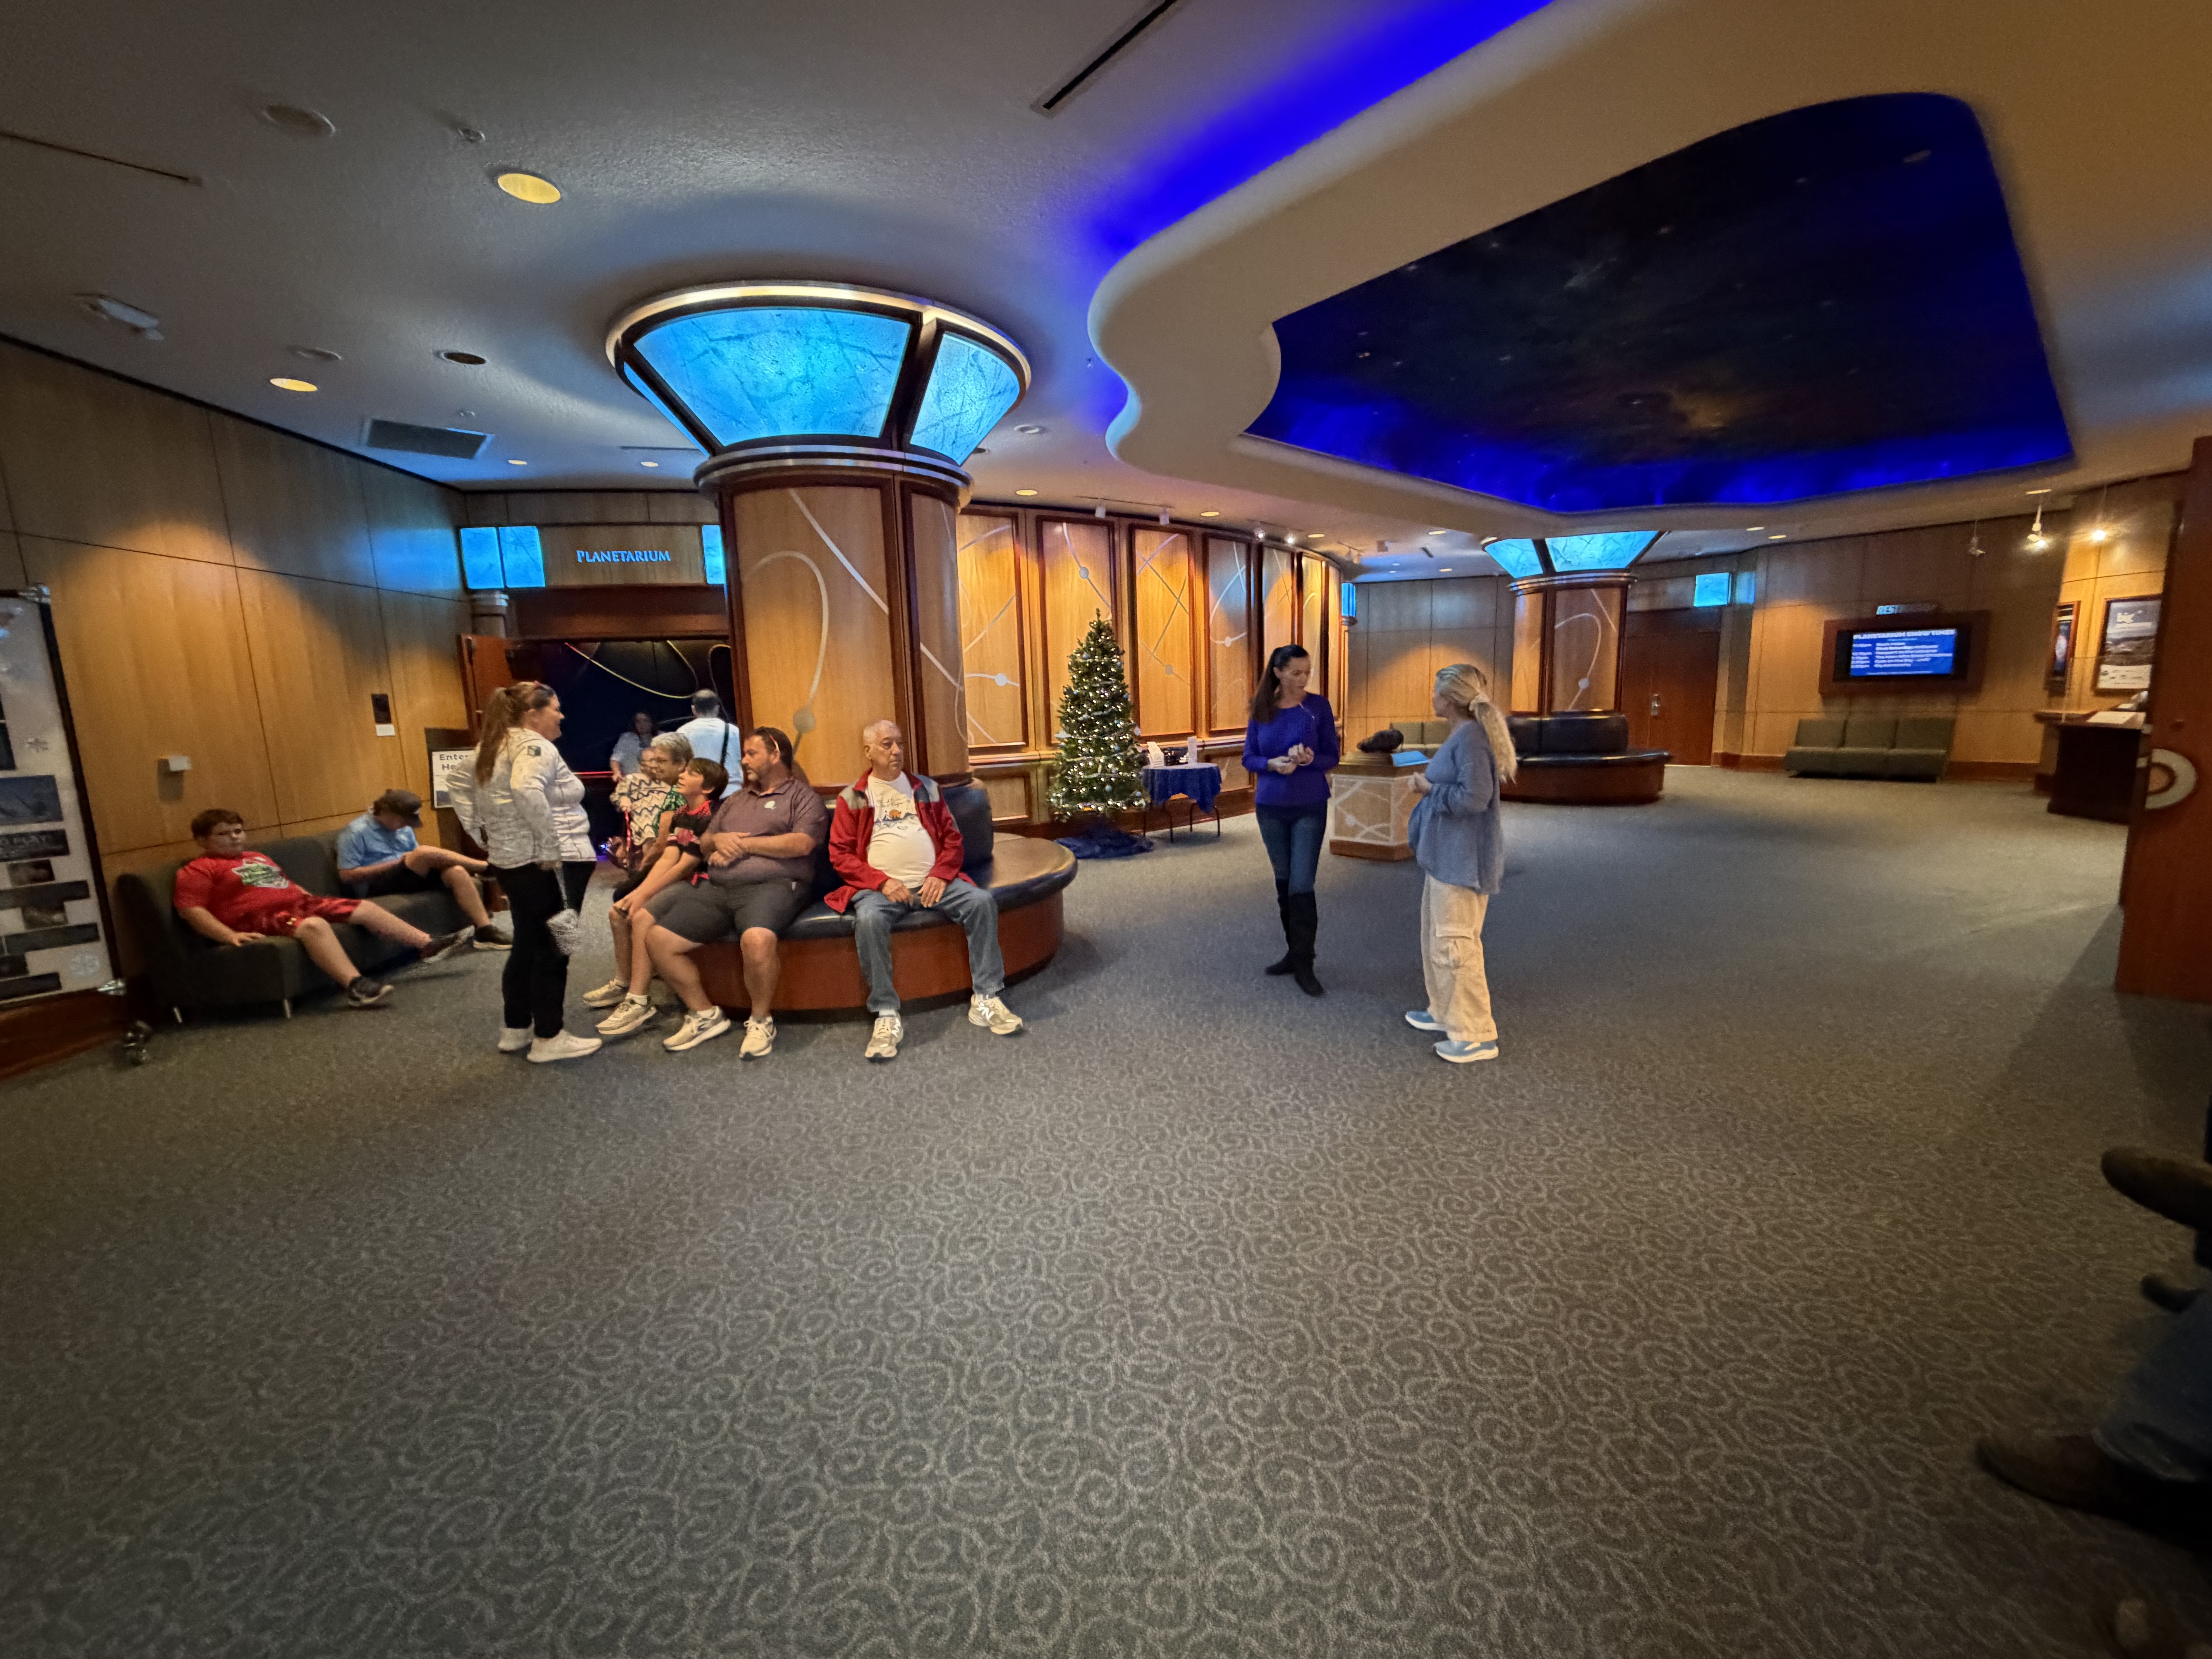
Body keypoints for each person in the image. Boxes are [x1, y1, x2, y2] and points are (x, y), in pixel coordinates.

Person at [826, 719, 1024, 1061]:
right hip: (881, 890)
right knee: (869, 920)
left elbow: (953, 839)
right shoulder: (853, 798)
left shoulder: (926, 789)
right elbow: (840, 856)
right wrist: (882, 882)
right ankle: (886, 1013)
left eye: (900, 743)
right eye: (887, 745)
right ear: (868, 752)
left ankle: (986, 997)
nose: (897, 751)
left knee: (981, 903)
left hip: (934, 882)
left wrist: (941, 875)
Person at [173, 807, 472, 1009]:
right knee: (314, 926)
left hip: (297, 903)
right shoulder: (199, 869)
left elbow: (284, 884)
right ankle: (356, 986)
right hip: (256, 918)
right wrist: (227, 936)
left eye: (238, 831)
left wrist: (315, 902)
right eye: (224, 834)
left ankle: (428, 945)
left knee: (364, 909)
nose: (234, 837)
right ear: (202, 840)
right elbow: (191, 910)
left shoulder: (256, 857)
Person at [646, 727, 828, 1055]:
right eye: (744, 754)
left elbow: (802, 844)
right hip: (720, 887)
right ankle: (704, 1014)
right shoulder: (736, 800)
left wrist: (743, 845)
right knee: (658, 940)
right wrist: (719, 840)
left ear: (776, 755)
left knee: (757, 940)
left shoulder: (802, 798)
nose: (744, 761)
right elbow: (705, 842)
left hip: (775, 886)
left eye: (752, 754)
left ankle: (761, 1020)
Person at [452, 682, 601, 1063]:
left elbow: (457, 783)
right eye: (556, 709)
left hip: (512, 862)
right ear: (533, 715)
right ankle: (549, 1037)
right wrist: (549, 848)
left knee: (527, 943)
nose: (562, 716)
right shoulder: (536, 746)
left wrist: (482, 833)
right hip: (554, 862)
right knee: (556, 945)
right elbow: (525, 788)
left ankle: (516, 1028)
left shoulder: (491, 747)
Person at [1404, 663, 1517, 1064]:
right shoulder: (1463, 734)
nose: (1432, 697)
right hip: (1445, 857)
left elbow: (1474, 798)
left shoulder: (1471, 738)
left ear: (1450, 698)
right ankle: (1444, 1011)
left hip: (1461, 861)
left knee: (1456, 944)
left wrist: (1428, 789)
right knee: (1436, 938)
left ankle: (1475, 1034)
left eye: (1436, 691)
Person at [585, 756, 726, 1037]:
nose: (682, 775)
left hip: (702, 883)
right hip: (680, 879)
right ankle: (623, 982)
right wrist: (639, 892)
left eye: (691, 773)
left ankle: (638, 1000)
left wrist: (644, 895)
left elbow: (686, 865)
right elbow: (669, 858)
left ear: (707, 788)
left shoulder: (711, 815)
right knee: (618, 911)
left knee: (640, 915)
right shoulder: (683, 813)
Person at [1240, 643, 1340, 996]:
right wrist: (1271, 764)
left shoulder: (1318, 707)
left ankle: (1305, 963)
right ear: (1278, 673)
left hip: (1309, 803)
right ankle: (1294, 953)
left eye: (1307, 672)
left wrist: (1310, 759)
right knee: (1283, 881)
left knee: (1302, 883)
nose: (1303, 678)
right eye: (1296, 672)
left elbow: (1332, 756)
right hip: (1271, 806)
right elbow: (1249, 757)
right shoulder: (1261, 709)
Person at [334, 787, 511, 948]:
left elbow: (414, 861)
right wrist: (396, 863)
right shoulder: (355, 833)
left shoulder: (402, 828)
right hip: (376, 884)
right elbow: (347, 875)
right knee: (423, 853)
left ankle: (485, 931)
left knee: (457, 872)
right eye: (404, 821)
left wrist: (419, 862)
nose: (406, 826)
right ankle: (488, 868)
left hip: (406, 876)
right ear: (387, 812)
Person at [675, 690, 741, 799]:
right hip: (731, 792)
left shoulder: (683, 732)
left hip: (698, 795)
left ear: (694, 709)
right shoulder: (734, 731)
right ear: (717, 708)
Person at [608, 710, 659, 779]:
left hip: (657, 781)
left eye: (646, 721)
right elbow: (615, 759)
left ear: (652, 723)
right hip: (632, 781)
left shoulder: (662, 738)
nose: (642, 724)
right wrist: (617, 773)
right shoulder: (626, 738)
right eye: (638, 722)